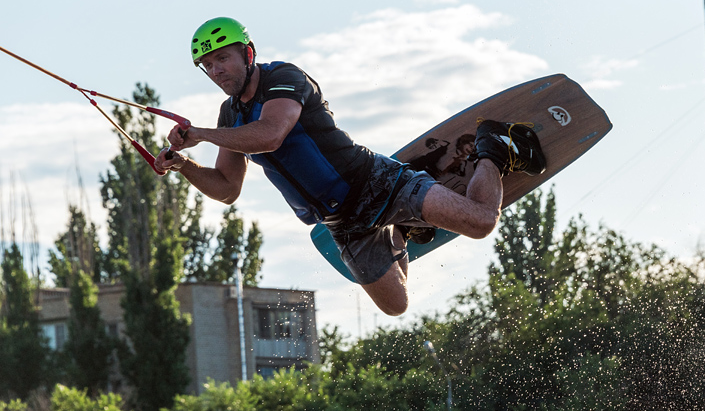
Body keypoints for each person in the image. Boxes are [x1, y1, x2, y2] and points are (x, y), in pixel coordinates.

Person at [156, 17, 544, 316]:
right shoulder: (229, 116)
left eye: (222, 58)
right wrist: (184, 165)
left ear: (247, 53)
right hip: (341, 223)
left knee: (481, 222)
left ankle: (493, 146)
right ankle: (400, 229)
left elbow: (271, 134)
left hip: (376, 181)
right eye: (208, 65)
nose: (216, 70)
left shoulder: (283, 78)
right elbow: (227, 188)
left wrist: (202, 134)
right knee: (396, 305)